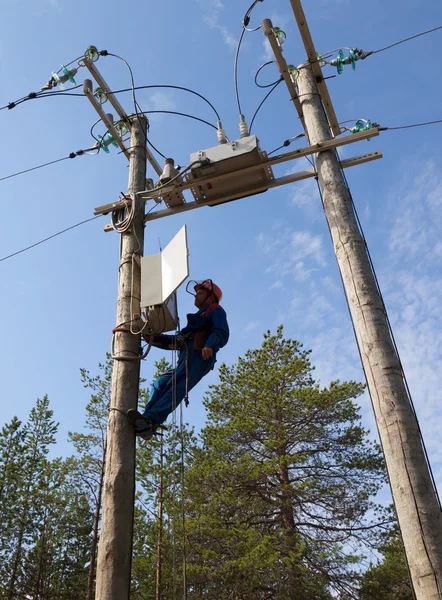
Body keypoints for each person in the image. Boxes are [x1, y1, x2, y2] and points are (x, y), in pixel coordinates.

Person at [128, 279, 229, 439]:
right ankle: (147, 420)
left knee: (177, 386)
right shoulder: (194, 320)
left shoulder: (215, 309)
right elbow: (176, 342)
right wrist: (152, 339)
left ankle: (151, 419)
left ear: (210, 298)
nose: (196, 295)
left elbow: (221, 331)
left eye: (200, 292)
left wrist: (209, 344)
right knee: (160, 383)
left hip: (200, 356)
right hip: (186, 357)